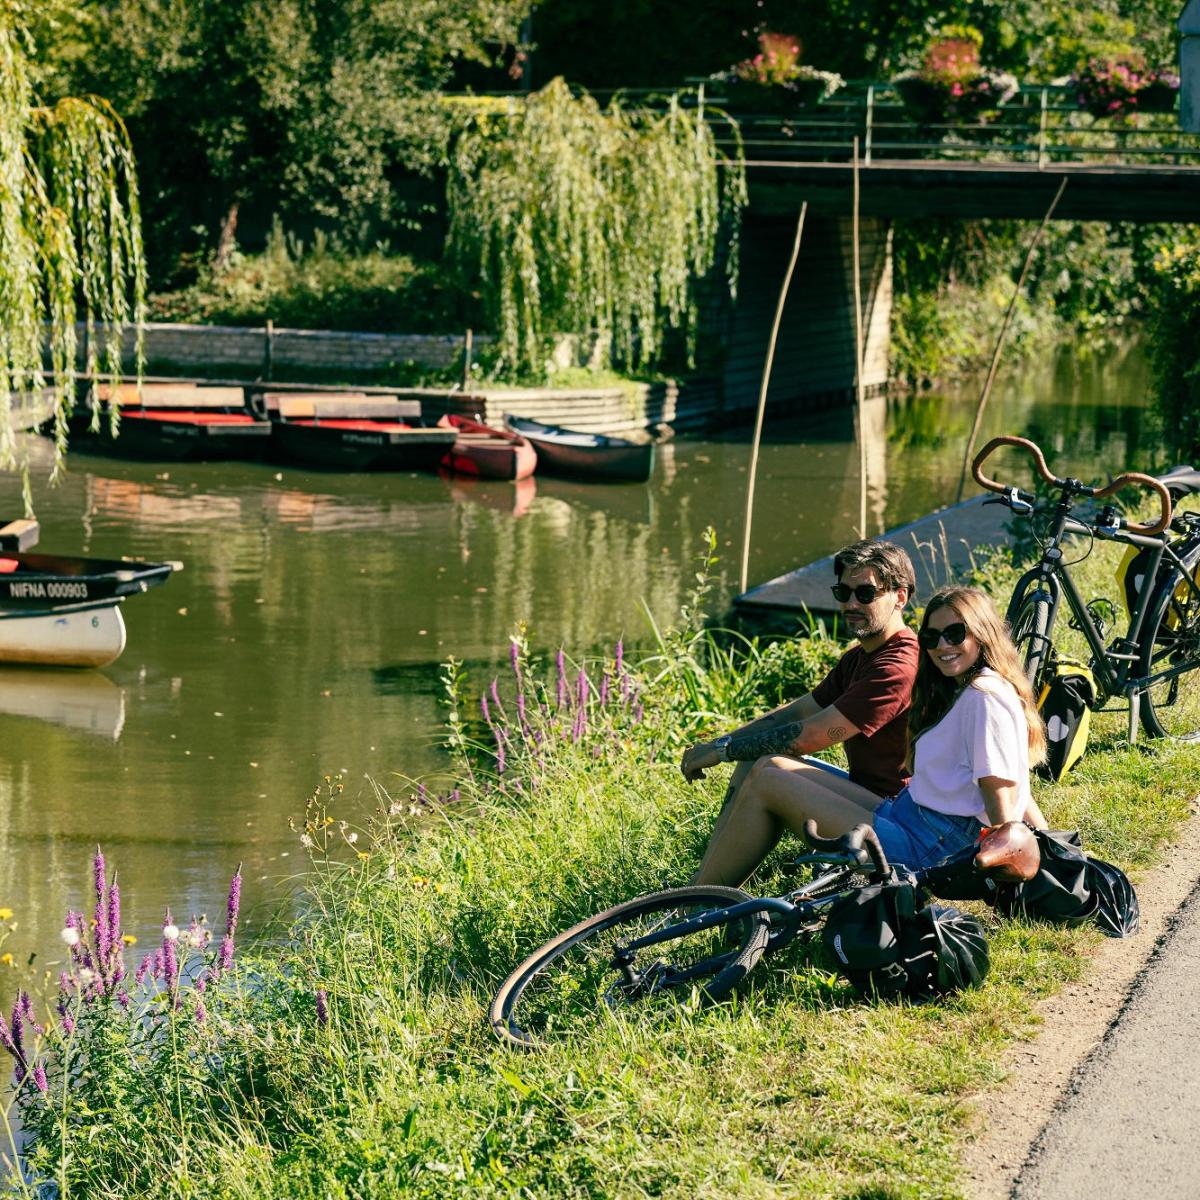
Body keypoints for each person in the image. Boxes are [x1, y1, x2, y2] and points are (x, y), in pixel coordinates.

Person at [691, 584, 1049, 885]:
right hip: (909, 817)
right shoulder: (975, 688)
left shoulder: (982, 696)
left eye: (955, 634)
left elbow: (1000, 788)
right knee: (770, 766)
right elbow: (1016, 778)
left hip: (930, 849)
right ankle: (702, 885)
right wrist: (1048, 840)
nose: (942, 645)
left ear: (982, 634)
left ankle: (695, 905)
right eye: (931, 637)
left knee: (770, 783)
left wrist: (1011, 858)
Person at [681, 539, 920, 880]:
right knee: (757, 756)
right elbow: (797, 713)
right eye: (843, 592)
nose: (851, 603)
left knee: (770, 771)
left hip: (900, 820)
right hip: (872, 799)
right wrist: (721, 743)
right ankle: (705, 880)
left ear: (900, 596)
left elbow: (807, 737)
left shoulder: (898, 667)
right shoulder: (861, 657)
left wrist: (721, 752)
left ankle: (699, 902)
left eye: (866, 593)